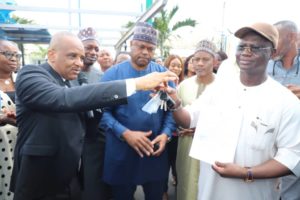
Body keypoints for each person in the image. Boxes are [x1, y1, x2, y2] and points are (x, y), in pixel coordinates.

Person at [9, 31, 178, 200]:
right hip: (40, 178)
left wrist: (172, 108)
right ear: (52, 54)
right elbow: (63, 98)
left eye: (81, 58)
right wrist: (136, 85)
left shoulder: (71, 81)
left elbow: (92, 118)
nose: (79, 63)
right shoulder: (31, 74)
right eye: (72, 56)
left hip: (71, 177)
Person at [167, 22, 300, 200]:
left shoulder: (286, 101)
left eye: (255, 48)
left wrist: (246, 173)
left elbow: (291, 156)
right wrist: (173, 102)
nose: (246, 52)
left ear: (273, 53)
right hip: (209, 192)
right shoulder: (218, 89)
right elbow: (188, 119)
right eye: (242, 46)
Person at [100, 22, 176, 200]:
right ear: (131, 45)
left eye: (150, 48)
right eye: (141, 46)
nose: (145, 52)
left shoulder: (162, 75)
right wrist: (125, 133)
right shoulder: (112, 75)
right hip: (122, 150)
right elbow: (103, 113)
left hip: (154, 149)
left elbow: (171, 109)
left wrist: (166, 134)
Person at [73, 27, 112, 200]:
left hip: (95, 136)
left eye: (96, 49)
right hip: (70, 135)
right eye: (88, 47)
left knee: (93, 182)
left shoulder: (102, 76)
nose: (93, 52)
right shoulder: (66, 73)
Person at [176, 40, 217, 200]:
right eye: (196, 59)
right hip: (186, 145)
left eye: (205, 59)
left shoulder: (224, 86)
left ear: (214, 61)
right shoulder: (184, 85)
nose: (200, 63)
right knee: (186, 184)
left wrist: (200, 129)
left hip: (212, 148)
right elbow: (174, 115)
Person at [266, 20, 300, 200]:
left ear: (293, 37)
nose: (272, 44)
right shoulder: (264, 67)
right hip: (268, 142)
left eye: (276, 38)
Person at [162, 54, 184, 200]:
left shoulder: (184, 84)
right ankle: (163, 190)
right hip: (165, 132)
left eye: (178, 65)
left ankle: (178, 184)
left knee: (177, 164)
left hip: (181, 134)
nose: (176, 68)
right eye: (173, 65)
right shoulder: (162, 83)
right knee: (163, 165)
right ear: (167, 66)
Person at [0, 39, 20, 200]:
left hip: (21, 144)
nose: (13, 58)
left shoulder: (23, 82)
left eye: (16, 55)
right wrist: (3, 119)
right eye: (7, 54)